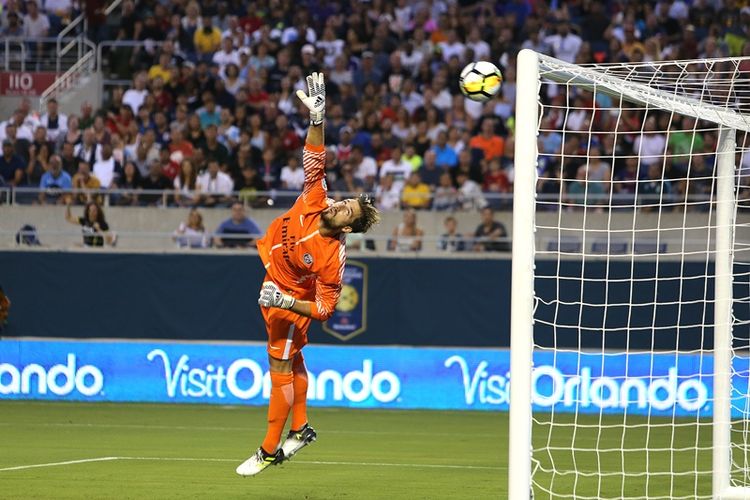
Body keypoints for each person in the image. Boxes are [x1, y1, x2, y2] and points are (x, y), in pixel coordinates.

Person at [236, 73, 381, 477]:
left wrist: (285, 302)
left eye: (346, 210)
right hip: (273, 283)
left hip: (287, 303)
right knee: (294, 360)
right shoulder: (316, 201)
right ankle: (300, 428)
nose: (338, 206)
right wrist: (318, 118)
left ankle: (268, 450)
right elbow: (315, 159)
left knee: (279, 370)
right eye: (344, 201)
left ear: (348, 226)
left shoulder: (333, 257)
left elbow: (324, 308)